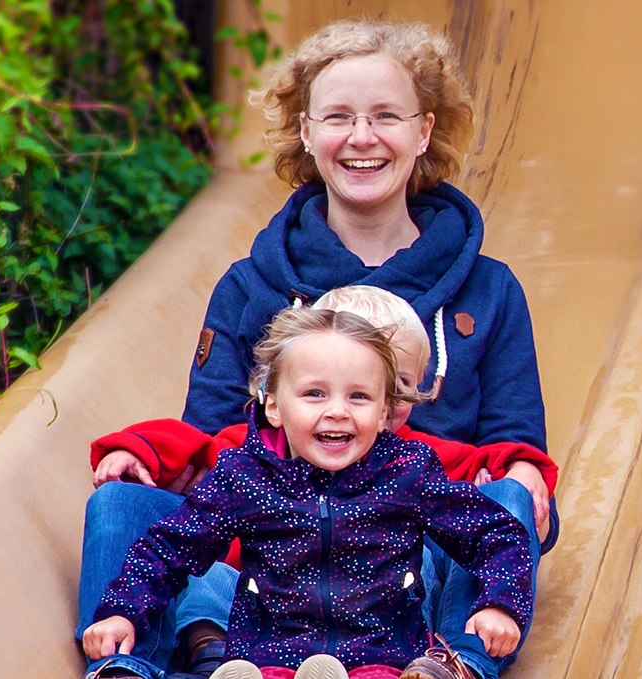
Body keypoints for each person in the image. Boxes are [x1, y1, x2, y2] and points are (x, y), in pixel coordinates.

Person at [76, 19, 554, 679]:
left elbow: (514, 446)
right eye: (338, 117)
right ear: (306, 132)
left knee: (507, 499)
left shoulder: (489, 289)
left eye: (386, 115)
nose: (362, 138)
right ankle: (136, 666)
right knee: (119, 505)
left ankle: (453, 665)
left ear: (424, 130)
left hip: (417, 548)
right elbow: (212, 441)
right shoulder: (251, 287)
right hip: (273, 551)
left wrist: (524, 476)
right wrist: (154, 456)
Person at [82, 308, 534, 679]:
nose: (337, 411)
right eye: (315, 394)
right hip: (269, 654)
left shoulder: (407, 473)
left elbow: (495, 533)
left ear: (383, 413)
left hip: (383, 654)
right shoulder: (247, 476)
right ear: (274, 406)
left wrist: (500, 602)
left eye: (358, 397)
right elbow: (170, 548)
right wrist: (123, 611)